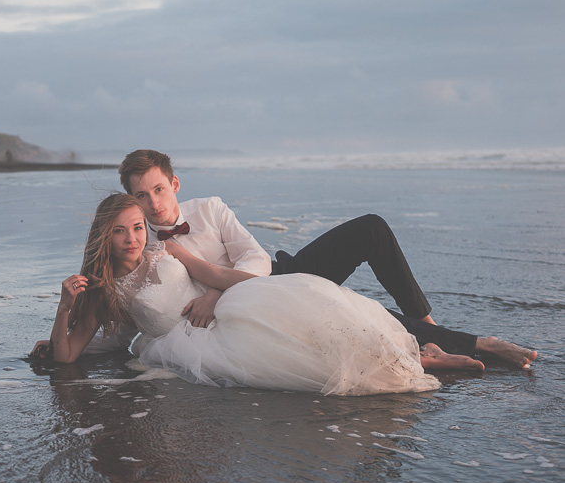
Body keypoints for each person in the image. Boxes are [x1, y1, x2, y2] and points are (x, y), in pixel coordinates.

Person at [33, 150, 536, 370]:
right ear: (129, 202)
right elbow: (124, 327)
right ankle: (449, 343)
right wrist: (68, 331)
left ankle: (424, 325)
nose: (153, 203)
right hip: (238, 316)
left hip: (272, 277)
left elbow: (253, 256)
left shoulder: (208, 210)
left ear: (175, 184)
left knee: (371, 229)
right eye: (141, 197)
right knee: (342, 315)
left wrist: (215, 292)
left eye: (159, 190)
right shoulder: (142, 248)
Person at [38, 194, 474, 395]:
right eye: (120, 231)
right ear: (105, 237)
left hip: (225, 305)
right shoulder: (102, 291)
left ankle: (418, 347)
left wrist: (248, 289)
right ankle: (415, 356)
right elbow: (68, 356)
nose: (132, 238)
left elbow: (208, 273)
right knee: (297, 359)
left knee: (313, 312)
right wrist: (64, 310)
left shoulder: (163, 248)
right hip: (188, 341)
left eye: (136, 227)